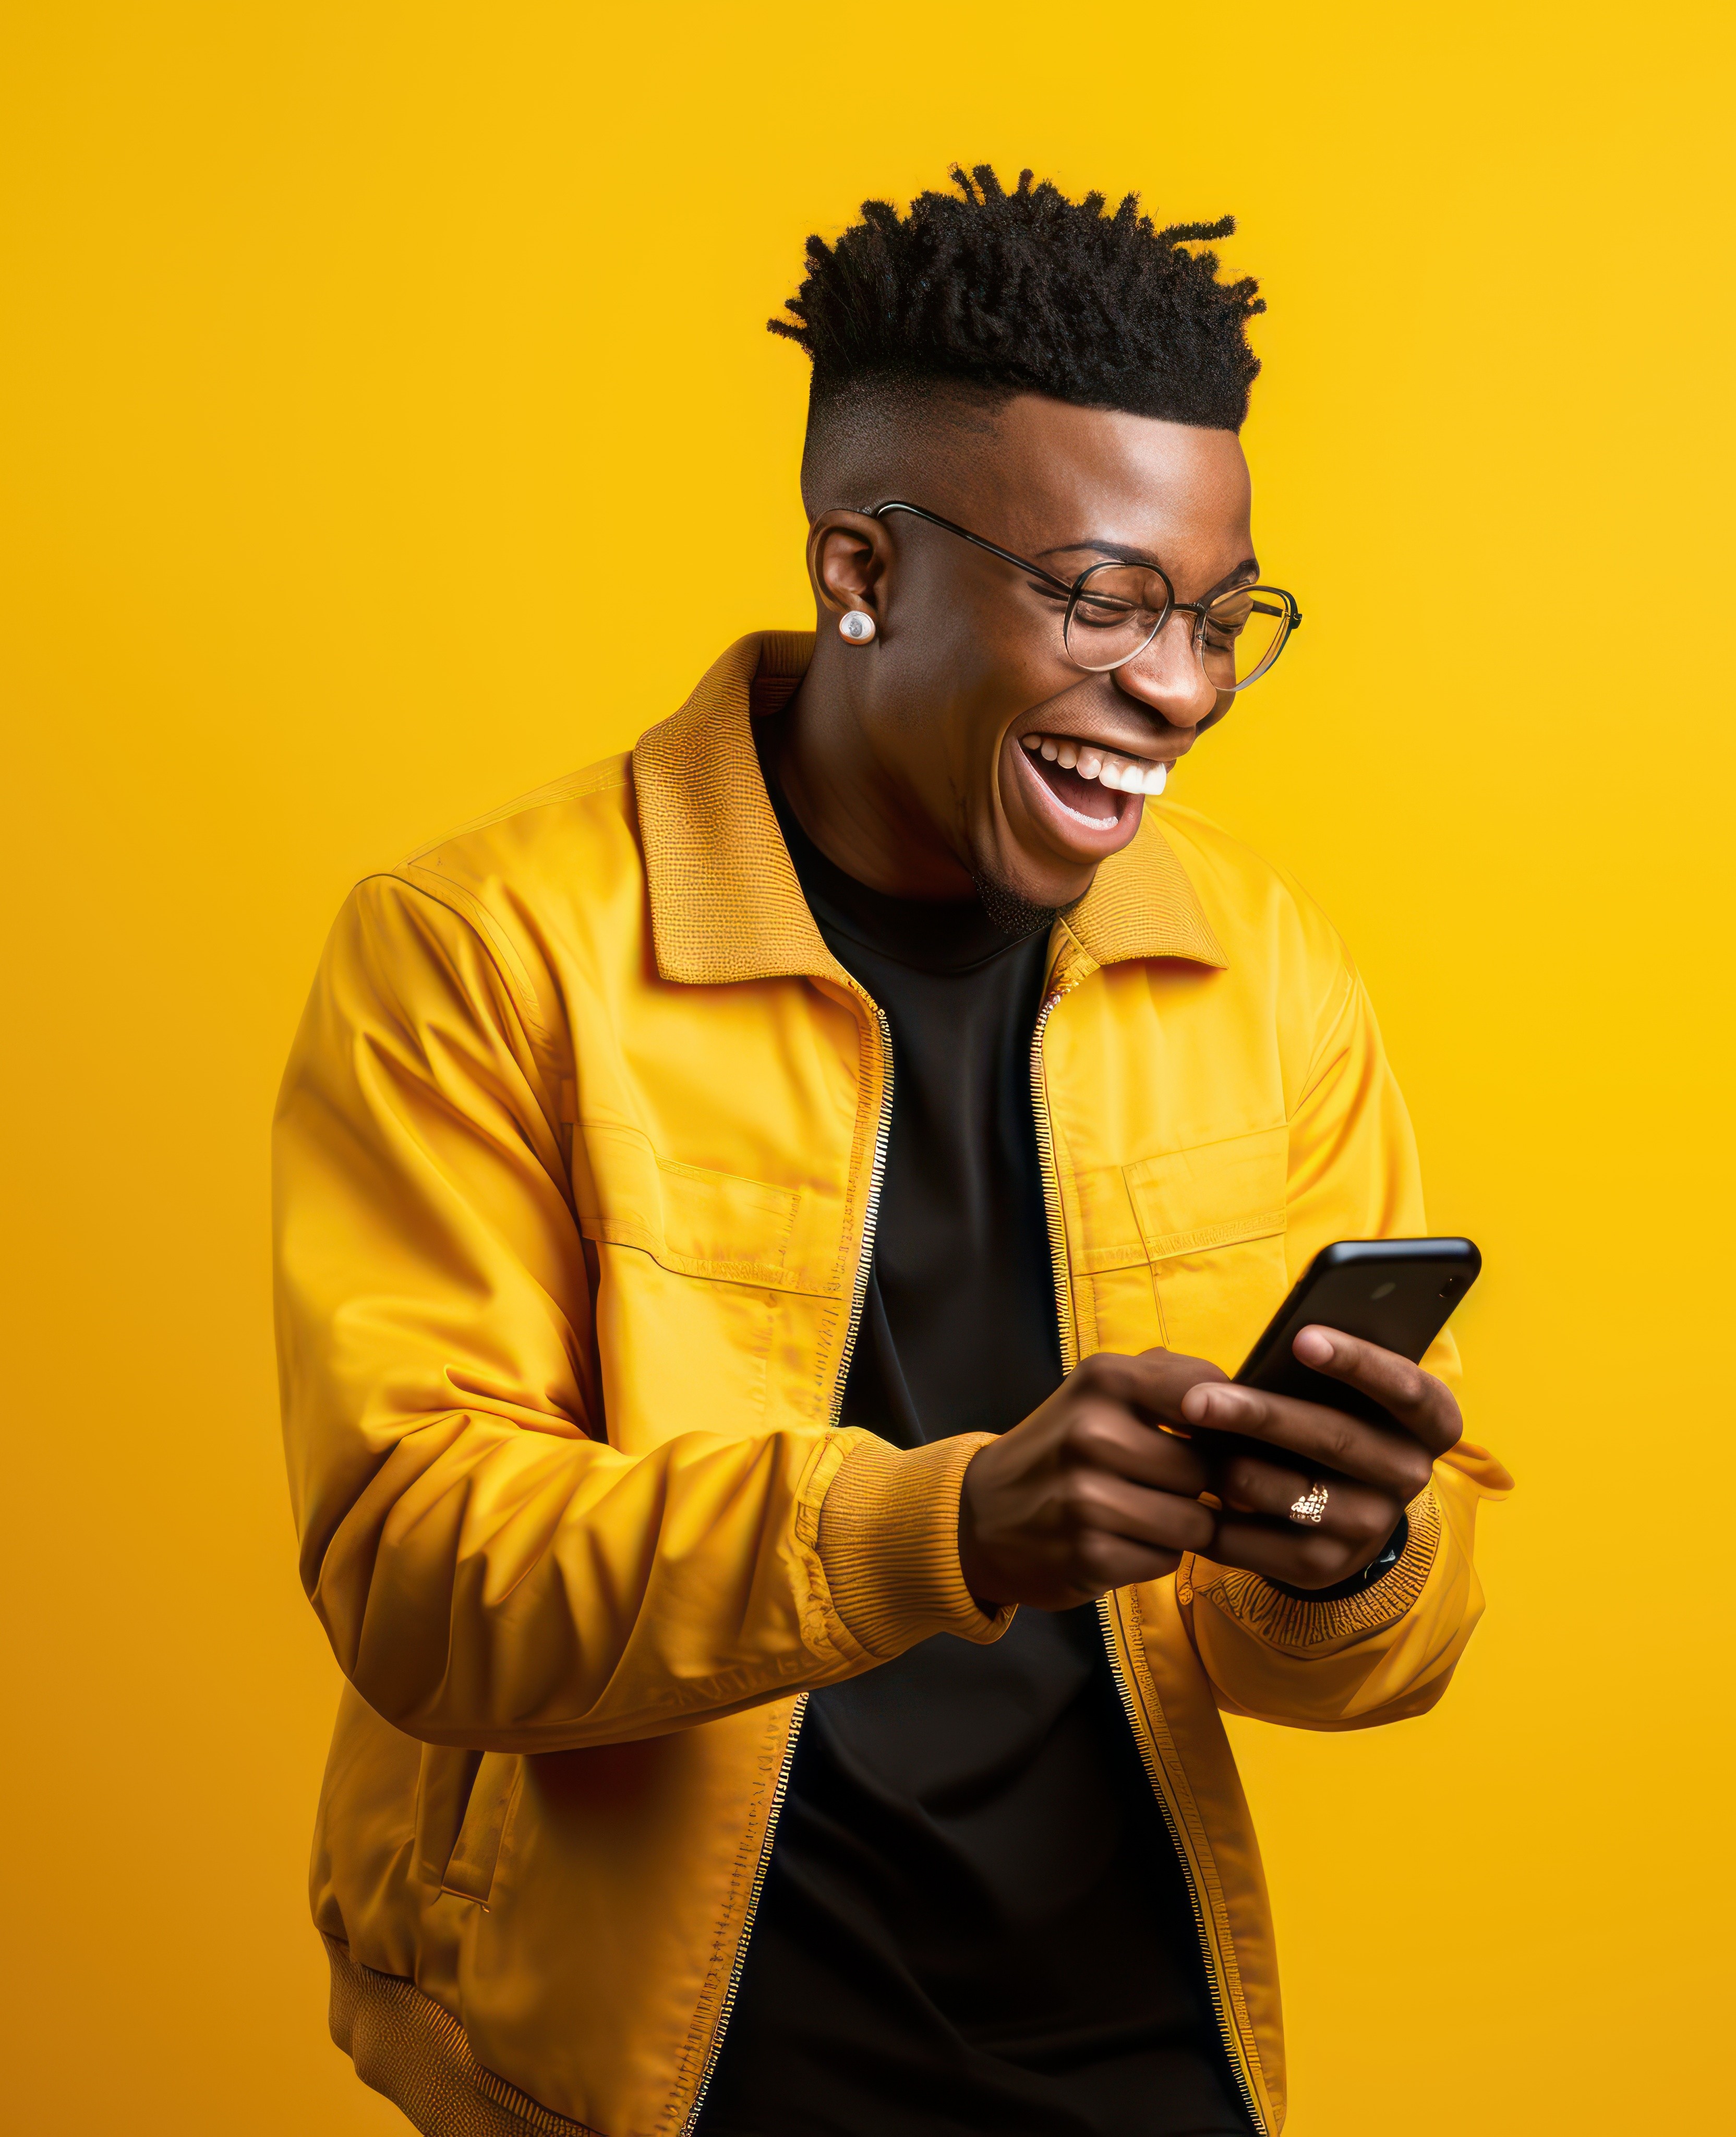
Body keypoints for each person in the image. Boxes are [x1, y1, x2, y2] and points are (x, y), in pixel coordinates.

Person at [274, 165, 1509, 2137]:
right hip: (669, 2064)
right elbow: (422, 1582)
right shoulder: (486, 950)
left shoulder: (1265, 967)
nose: (1180, 688)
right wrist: (941, 1532)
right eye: (1104, 600)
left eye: (1219, 616)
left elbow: (1373, 1656)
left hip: (1139, 2038)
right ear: (861, 571)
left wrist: (1351, 1547)